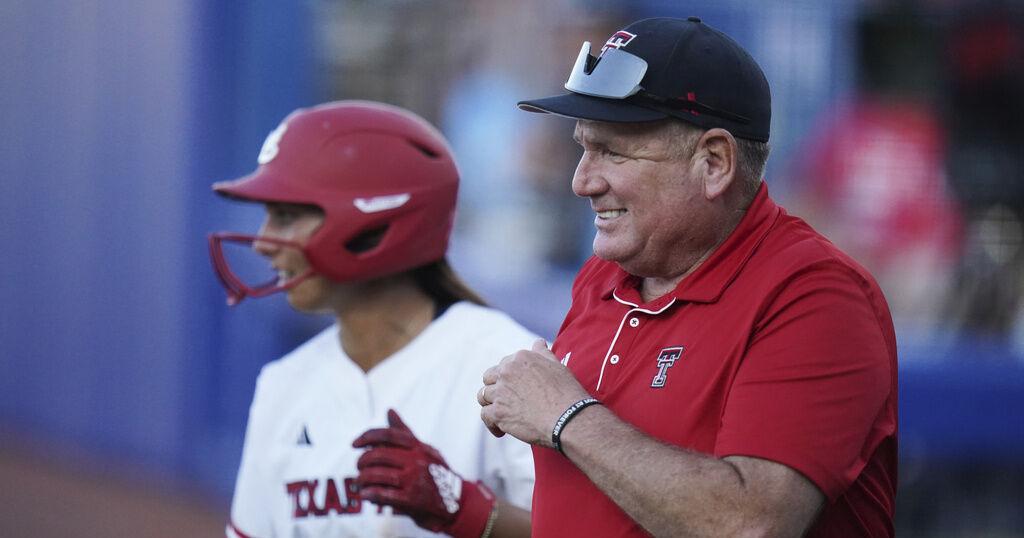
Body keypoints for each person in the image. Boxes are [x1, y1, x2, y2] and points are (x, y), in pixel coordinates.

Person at [478, 17, 897, 537]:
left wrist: (565, 416)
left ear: (715, 162)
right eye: (582, 148)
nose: (581, 181)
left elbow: (750, 525)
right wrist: (467, 512)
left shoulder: (815, 295)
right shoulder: (605, 273)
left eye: (611, 150)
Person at [208, 101, 535, 538]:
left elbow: (582, 532)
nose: (264, 243)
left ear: (377, 222)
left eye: (286, 216)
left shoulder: (510, 366)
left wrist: (467, 509)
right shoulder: (283, 383)